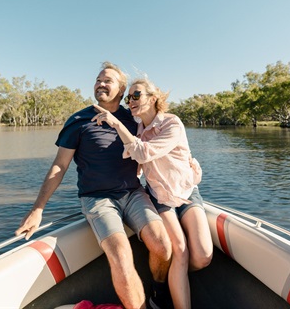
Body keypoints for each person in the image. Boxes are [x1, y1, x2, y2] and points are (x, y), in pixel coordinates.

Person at [15, 62, 172, 309]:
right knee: (121, 255)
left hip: (132, 192)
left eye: (108, 81)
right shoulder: (78, 120)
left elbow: (157, 141)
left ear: (121, 91)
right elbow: (59, 166)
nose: (100, 83)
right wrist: (38, 209)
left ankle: (158, 293)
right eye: (98, 79)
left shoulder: (133, 118)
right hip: (98, 199)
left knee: (162, 245)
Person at [92, 78, 213, 309]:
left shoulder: (172, 124)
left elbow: (143, 153)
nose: (131, 101)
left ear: (153, 98)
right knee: (180, 250)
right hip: (160, 196)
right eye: (129, 98)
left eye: (136, 95)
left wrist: (117, 124)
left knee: (203, 256)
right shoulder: (137, 129)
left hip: (186, 193)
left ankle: (172, 276)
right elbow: (133, 161)